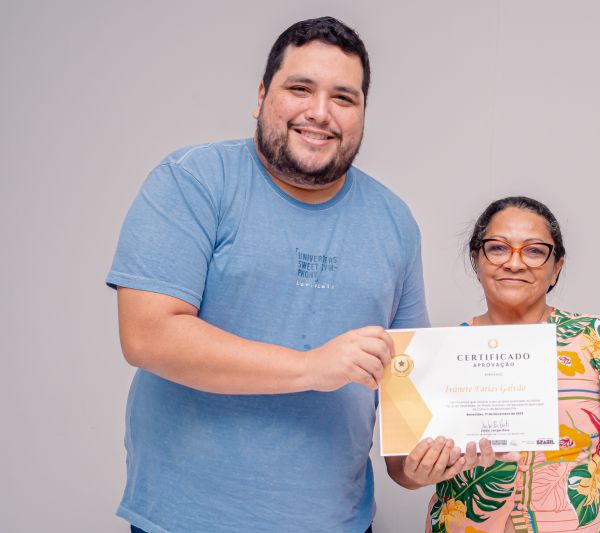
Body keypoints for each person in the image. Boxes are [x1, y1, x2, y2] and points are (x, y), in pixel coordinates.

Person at [106, 16, 428, 533]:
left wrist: (421, 464)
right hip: (187, 521)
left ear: (363, 113)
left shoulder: (395, 222)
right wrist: (311, 367)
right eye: (300, 88)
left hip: (339, 523)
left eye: (343, 98)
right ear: (261, 96)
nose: (319, 112)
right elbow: (147, 335)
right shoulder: (193, 181)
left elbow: (405, 394)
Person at [386, 196, 600, 532]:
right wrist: (415, 472)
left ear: (556, 266)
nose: (515, 263)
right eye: (498, 248)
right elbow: (400, 469)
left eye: (534, 250)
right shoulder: (437, 354)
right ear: (476, 259)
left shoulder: (598, 342)